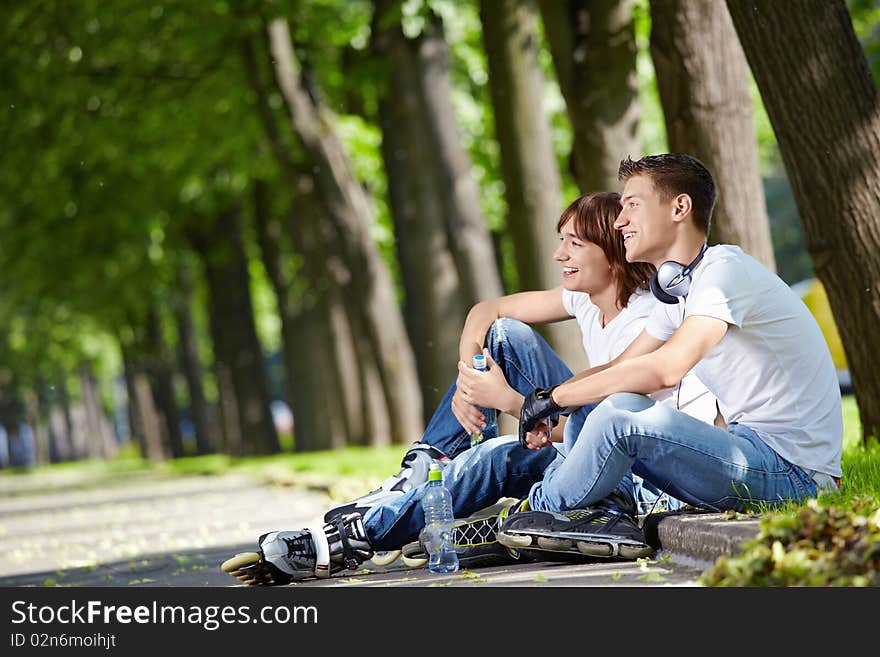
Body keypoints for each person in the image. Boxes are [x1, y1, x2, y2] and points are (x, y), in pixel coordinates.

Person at [221, 190, 716, 585]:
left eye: (574, 243)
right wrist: (468, 379)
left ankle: (372, 527)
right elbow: (487, 312)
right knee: (501, 339)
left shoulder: (651, 318)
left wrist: (507, 401)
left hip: (645, 481)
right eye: (559, 238)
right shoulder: (587, 298)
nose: (558, 253)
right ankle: (419, 475)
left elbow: (599, 421)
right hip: (587, 446)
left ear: (611, 256)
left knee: (492, 458)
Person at [494, 153, 842, 555]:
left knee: (620, 414)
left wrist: (553, 399)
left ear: (679, 207)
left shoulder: (725, 272)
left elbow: (665, 369)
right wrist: (547, 407)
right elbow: (620, 366)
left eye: (632, 205)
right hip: (752, 452)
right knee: (597, 404)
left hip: (794, 473)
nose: (620, 220)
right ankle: (587, 516)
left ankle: (533, 516)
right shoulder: (680, 290)